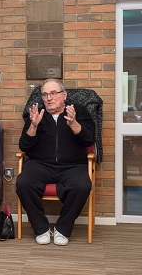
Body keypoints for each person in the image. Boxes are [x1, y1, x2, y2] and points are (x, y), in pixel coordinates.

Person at [16, 79, 95, 246]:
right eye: (45, 94)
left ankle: (63, 229)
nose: (48, 98)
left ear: (64, 95)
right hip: (40, 164)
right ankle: (41, 228)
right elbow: (23, 145)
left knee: (82, 185)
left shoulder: (78, 112)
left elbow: (89, 140)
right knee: (23, 182)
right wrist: (33, 126)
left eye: (53, 93)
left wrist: (74, 124)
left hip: (72, 165)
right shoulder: (38, 114)